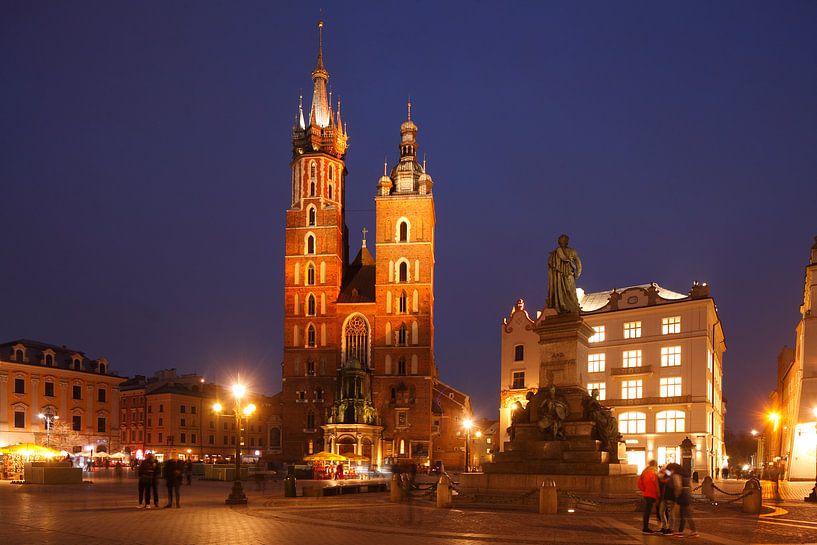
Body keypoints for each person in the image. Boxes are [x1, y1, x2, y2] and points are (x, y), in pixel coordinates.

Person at [673, 466, 698, 537]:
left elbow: (678, 486)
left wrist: (677, 495)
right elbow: (691, 486)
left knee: (683, 514)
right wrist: (689, 493)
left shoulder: (677, 475)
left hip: (682, 495)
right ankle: (691, 531)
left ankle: (683, 531)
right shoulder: (687, 476)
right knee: (686, 513)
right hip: (687, 494)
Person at [637, 460, 660, 534]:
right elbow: (657, 483)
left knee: (647, 511)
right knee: (659, 510)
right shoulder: (655, 472)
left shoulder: (644, 472)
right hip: (654, 494)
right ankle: (662, 527)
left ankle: (645, 527)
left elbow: (639, 483)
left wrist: (644, 489)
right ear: (655, 465)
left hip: (647, 494)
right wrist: (658, 493)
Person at [657, 465, 676, 535]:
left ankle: (670, 529)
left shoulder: (672, 474)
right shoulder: (666, 474)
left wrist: (664, 470)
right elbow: (661, 477)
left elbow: (667, 479)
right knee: (661, 511)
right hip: (664, 496)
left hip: (670, 496)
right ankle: (664, 527)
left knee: (670, 513)